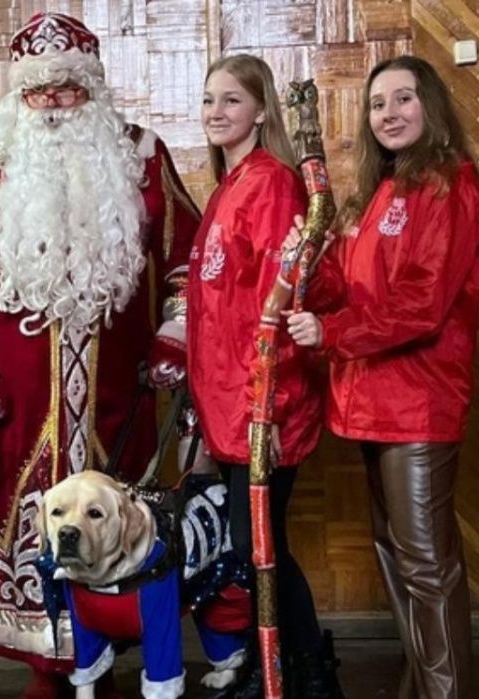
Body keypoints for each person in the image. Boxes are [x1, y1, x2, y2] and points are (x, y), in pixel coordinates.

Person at [0, 12, 201, 698]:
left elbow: (190, 266)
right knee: (27, 514)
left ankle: (107, 653)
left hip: (121, 393)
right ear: (19, 96)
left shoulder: (141, 157)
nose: (52, 104)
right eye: (39, 91)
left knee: (116, 515)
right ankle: (47, 668)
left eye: (69, 90)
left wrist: (173, 338)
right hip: (16, 396)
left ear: (94, 92)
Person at [287, 56, 479, 698]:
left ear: (430, 106)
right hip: (369, 401)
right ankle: (425, 684)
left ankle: (444, 692)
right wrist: (309, 257)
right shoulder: (379, 191)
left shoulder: (450, 183)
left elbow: (424, 302)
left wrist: (334, 334)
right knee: (398, 559)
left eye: (404, 99)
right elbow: (343, 287)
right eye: (378, 104)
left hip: (418, 403)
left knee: (428, 566)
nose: (390, 113)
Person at [188, 53, 344, 699]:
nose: (216, 112)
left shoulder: (273, 183)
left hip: (261, 406)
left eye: (231, 100)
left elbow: (277, 306)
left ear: (260, 109)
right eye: (208, 100)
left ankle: (306, 672)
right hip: (226, 406)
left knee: (264, 546)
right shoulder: (226, 187)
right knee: (253, 548)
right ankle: (271, 661)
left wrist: (267, 410)